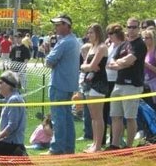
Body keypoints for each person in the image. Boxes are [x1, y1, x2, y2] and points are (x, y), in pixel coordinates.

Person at [107, 17, 147, 149]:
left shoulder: (140, 44)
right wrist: (121, 64)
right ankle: (115, 144)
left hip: (132, 85)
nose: (131, 29)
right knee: (115, 116)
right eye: (129, 27)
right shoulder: (123, 44)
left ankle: (129, 147)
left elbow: (129, 60)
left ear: (139, 29)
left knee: (130, 117)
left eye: (134, 27)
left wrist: (120, 64)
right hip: (118, 84)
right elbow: (112, 61)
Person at [44, 14, 80, 155]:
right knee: (67, 117)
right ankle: (68, 147)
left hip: (59, 83)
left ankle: (57, 148)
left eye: (59, 24)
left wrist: (48, 53)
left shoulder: (65, 42)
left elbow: (49, 61)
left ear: (66, 25)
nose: (56, 27)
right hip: (68, 84)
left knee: (59, 117)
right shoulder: (75, 41)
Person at [80, 23, 108, 153]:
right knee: (92, 115)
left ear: (98, 33)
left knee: (98, 115)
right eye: (88, 33)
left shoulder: (102, 47)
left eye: (91, 32)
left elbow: (92, 65)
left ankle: (98, 145)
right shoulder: (91, 47)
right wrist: (87, 66)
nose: (89, 35)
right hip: (88, 83)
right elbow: (85, 66)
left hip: (98, 83)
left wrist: (88, 66)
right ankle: (94, 143)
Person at [0, 71, 27, 156]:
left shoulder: (14, 100)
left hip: (12, 144)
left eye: (1, 83)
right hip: (8, 142)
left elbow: (12, 126)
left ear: (8, 85)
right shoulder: (9, 99)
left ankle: (18, 153)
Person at [104, 23, 126, 147]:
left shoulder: (123, 46)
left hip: (117, 80)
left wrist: (112, 64)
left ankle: (117, 138)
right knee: (108, 111)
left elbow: (117, 64)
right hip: (107, 79)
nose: (109, 36)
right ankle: (111, 138)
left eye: (111, 33)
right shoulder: (110, 46)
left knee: (117, 112)